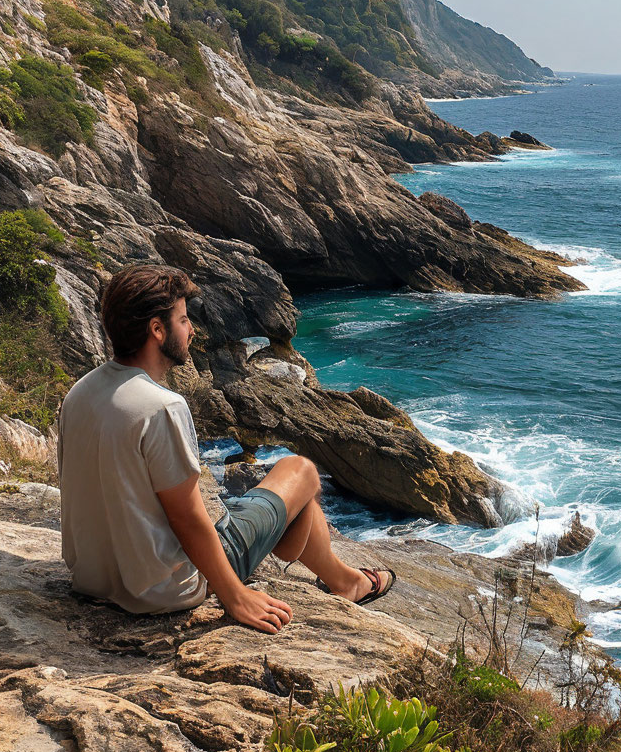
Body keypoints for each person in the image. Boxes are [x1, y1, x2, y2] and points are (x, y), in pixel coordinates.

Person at [56, 263, 394, 633]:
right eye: (183, 320)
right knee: (300, 470)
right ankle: (347, 582)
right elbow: (186, 519)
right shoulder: (161, 406)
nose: (191, 330)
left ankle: (332, 569)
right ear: (157, 329)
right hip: (163, 588)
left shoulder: (80, 392)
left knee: (274, 505)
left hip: (92, 579)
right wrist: (234, 596)